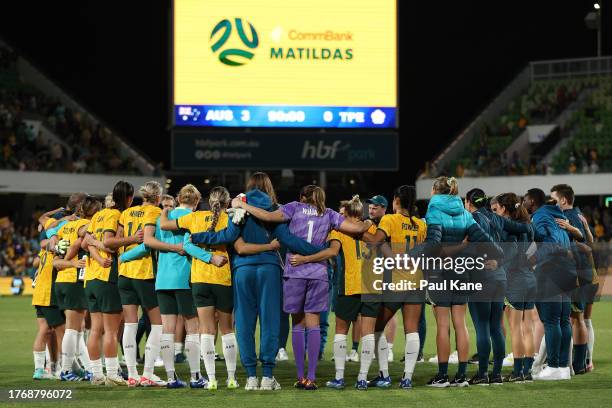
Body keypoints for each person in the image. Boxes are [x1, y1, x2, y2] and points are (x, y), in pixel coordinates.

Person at [189, 173, 326, 391]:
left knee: (244, 322)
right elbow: (290, 240)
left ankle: (251, 376)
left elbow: (225, 236)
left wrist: (197, 237)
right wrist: (321, 251)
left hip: (243, 270)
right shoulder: (274, 210)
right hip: (269, 270)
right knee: (270, 322)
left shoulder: (239, 209)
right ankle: (267, 376)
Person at [230, 184, 372, 390]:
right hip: (318, 273)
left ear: (301, 197)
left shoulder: (293, 208)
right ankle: (311, 377)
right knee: (313, 324)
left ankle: (300, 376)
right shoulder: (330, 214)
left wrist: (241, 205)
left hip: (294, 271)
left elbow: (268, 217)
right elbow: (358, 228)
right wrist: (368, 221)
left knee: (297, 324)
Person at [120, 184, 221, 388]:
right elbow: (188, 246)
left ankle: (171, 377)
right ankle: (195, 377)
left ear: (179, 198)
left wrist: (124, 256)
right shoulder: (193, 218)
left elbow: (147, 245)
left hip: (162, 280)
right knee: (192, 329)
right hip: (184, 278)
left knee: (167, 330)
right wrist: (210, 258)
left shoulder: (161, 219)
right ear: (196, 201)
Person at [422, 177, 502, 388]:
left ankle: (442, 376)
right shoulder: (465, 213)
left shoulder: (434, 212)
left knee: (442, 325)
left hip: (440, 274)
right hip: (462, 274)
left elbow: (433, 247)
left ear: (434, 191)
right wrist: (497, 256)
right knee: (461, 324)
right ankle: (461, 376)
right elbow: (488, 242)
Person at [103, 181, 171, 387]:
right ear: (158, 197)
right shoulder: (155, 212)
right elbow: (148, 242)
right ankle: (147, 374)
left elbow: (113, 241)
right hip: (144, 273)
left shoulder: (127, 213)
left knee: (131, 325)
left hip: (124, 275)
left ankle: (132, 375)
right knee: (158, 325)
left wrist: (125, 252)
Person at [361, 186, 427, 390]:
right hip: (416, 281)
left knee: (377, 327)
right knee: (412, 330)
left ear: (397, 200)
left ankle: (384, 374)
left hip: (395, 282)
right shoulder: (420, 224)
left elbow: (374, 241)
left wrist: (356, 229)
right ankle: (407, 378)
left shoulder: (390, 219)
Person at [84, 180, 139, 386]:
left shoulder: (98, 214)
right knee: (111, 330)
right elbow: (109, 242)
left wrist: (96, 255)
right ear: (128, 198)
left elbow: (85, 242)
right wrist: (133, 238)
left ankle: (97, 375)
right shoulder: (117, 215)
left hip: (90, 277)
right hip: (107, 278)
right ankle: (113, 374)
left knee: (95, 329)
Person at [522, 188, 576, 381]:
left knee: (552, 321)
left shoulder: (540, 216)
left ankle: (554, 366)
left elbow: (551, 244)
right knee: (562, 320)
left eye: (525, 199)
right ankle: (562, 367)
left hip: (551, 271)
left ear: (533, 201)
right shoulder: (556, 215)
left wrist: (531, 260)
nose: (523, 202)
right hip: (567, 271)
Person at [52, 195, 101, 381]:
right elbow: (77, 243)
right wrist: (69, 262)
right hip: (73, 280)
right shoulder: (84, 226)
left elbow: (56, 247)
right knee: (73, 329)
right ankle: (65, 371)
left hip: (62, 280)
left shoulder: (65, 226)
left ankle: (88, 369)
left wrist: (62, 261)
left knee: (78, 329)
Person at [493, 193, 537, 382]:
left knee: (515, 328)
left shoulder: (507, 228)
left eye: (497, 208)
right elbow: (533, 250)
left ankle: (518, 371)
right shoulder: (529, 226)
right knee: (528, 327)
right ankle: (527, 370)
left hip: (515, 280)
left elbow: (508, 255)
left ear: (503, 208)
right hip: (530, 278)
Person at [550, 184, 591, 375]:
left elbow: (580, 247)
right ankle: (580, 363)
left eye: (554, 199)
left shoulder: (567, 218)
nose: (552, 203)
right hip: (584, 273)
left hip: (574, 273)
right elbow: (589, 244)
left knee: (571, 319)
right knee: (579, 318)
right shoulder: (578, 215)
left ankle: (570, 364)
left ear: (563, 200)